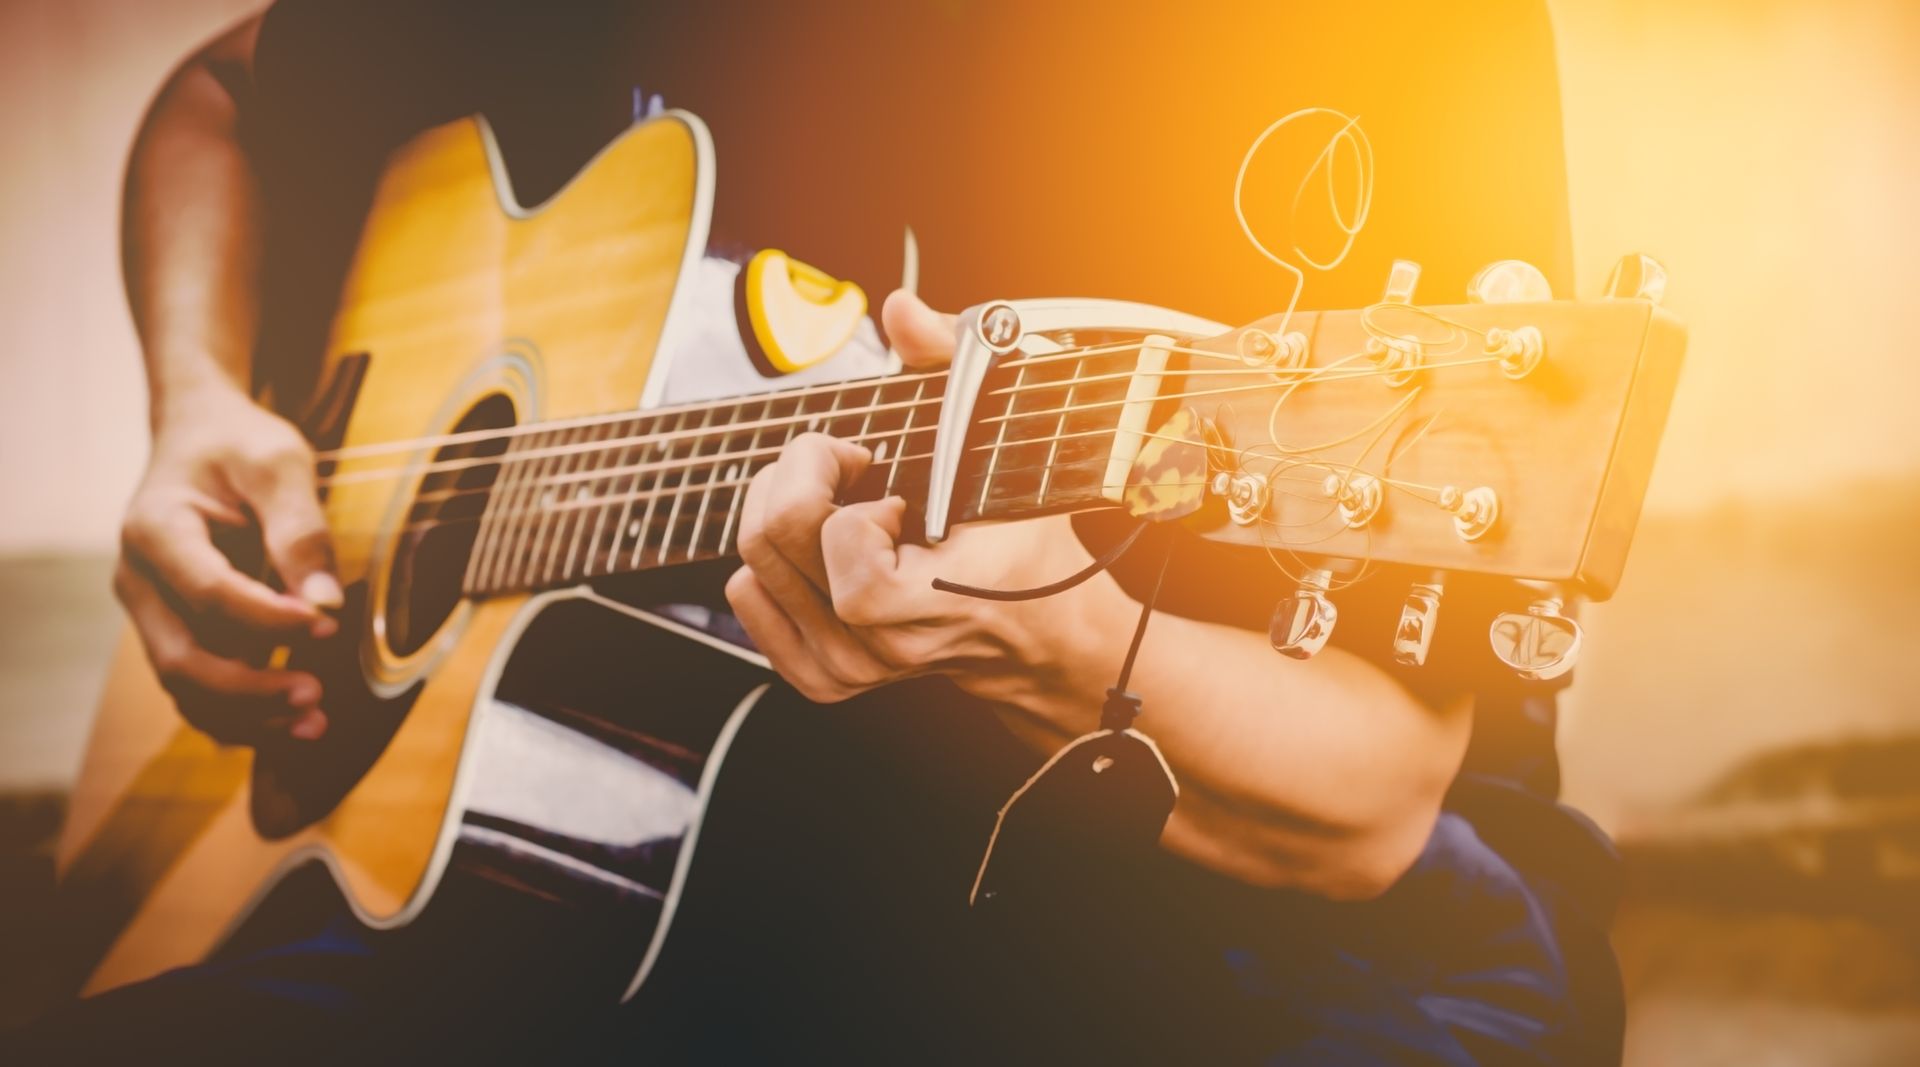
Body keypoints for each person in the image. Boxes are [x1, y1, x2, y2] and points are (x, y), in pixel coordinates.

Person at [9, 1, 1623, 1062]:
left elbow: (1370, 809)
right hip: (578, 900)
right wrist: (195, 405)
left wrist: (1059, 643)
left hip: (1212, 934)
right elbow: (221, 97)